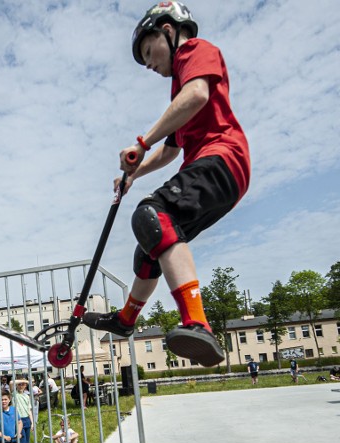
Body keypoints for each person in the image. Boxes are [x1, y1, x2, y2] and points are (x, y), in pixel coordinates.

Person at [82, 2, 250, 368]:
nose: (148, 64)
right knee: (150, 248)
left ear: (169, 31)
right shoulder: (180, 91)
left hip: (222, 158)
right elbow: (171, 152)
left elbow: (197, 97)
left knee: (151, 214)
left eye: (148, 51)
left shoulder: (195, 52)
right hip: (221, 172)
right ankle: (126, 320)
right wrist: (132, 176)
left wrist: (141, 143)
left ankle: (198, 323)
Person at [13, 379, 33, 443]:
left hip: (27, 419)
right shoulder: (14, 394)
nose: (21, 386)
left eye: (23, 385)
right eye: (19, 384)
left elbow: (29, 410)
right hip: (19, 420)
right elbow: (11, 383)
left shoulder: (27, 396)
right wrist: (25, 381)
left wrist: (32, 422)